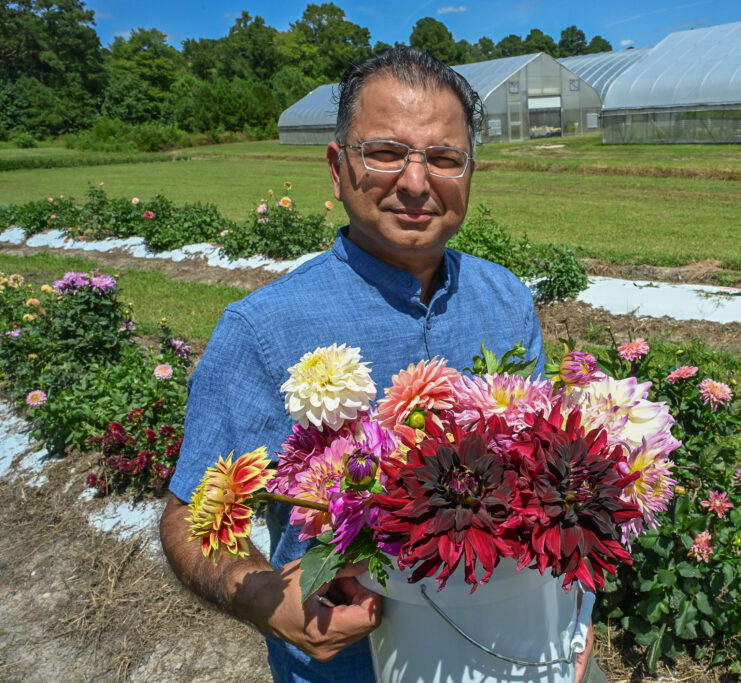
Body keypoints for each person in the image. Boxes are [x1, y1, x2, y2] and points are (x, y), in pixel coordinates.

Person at [160, 48, 601, 683]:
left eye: (445, 159)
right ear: (338, 167)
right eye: (387, 153)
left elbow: (542, 479)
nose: (417, 183)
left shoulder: (503, 298)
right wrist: (259, 594)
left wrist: (569, 614)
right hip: (350, 668)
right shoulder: (265, 330)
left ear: (470, 173)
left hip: (511, 651)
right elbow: (187, 520)